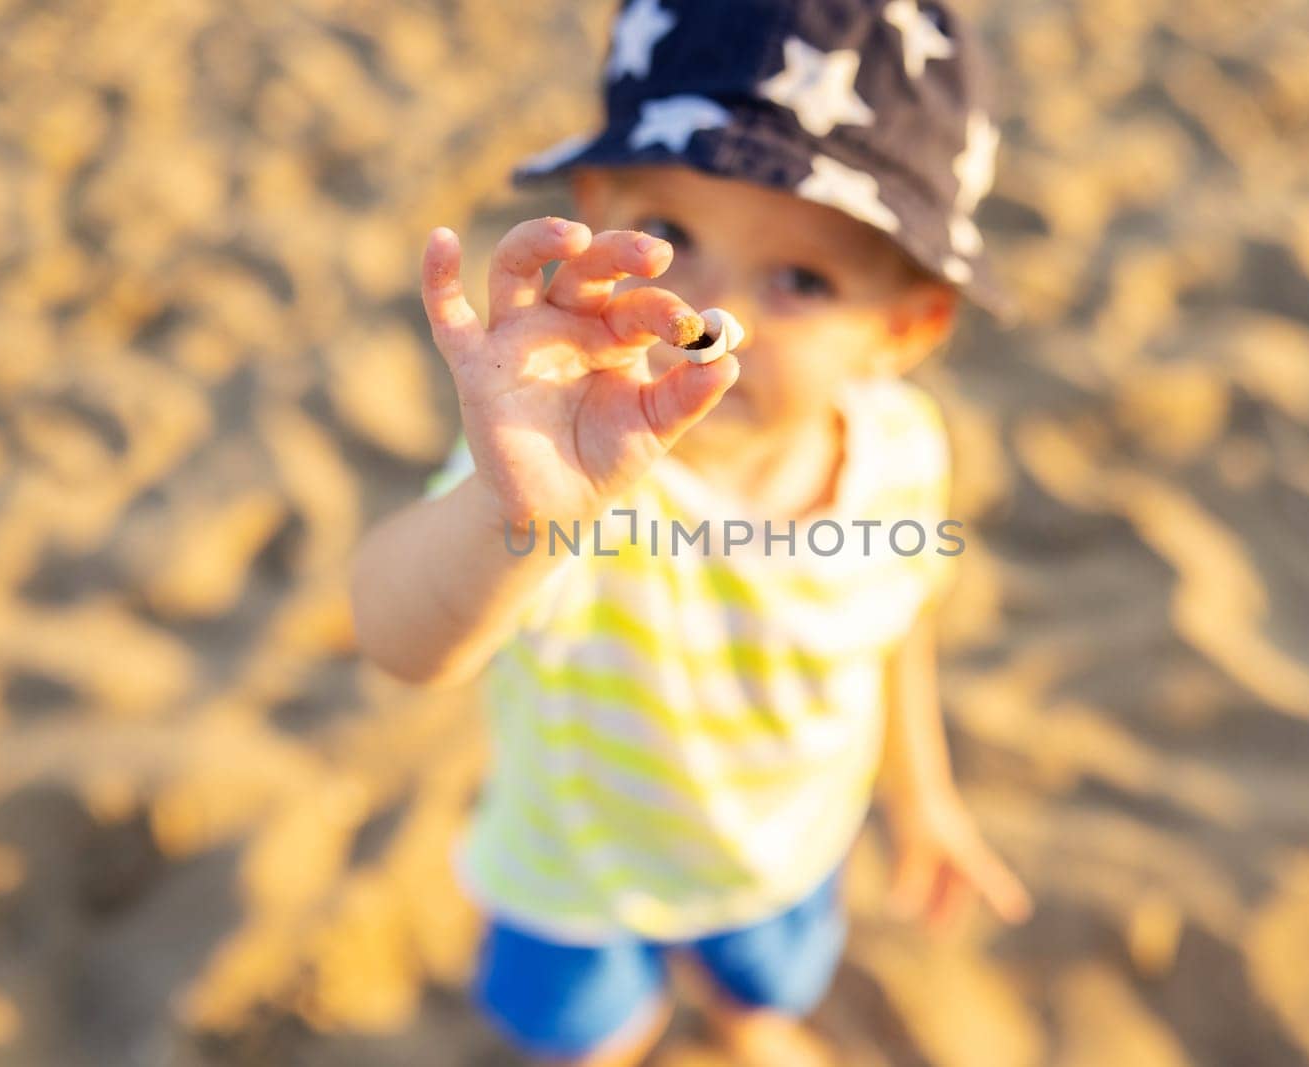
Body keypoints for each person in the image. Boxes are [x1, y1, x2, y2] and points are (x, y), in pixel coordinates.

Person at [350, 1, 1032, 1063]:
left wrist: (925, 793)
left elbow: (896, 625)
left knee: (762, 988)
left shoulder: (903, 453)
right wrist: (510, 512)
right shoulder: (573, 465)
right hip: (575, 868)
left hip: (784, 846)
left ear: (903, 327)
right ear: (596, 208)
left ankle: (744, 1025)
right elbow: (400, 637)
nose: (715, 314)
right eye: (669, 235)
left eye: (801, 279)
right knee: (587, 1033)